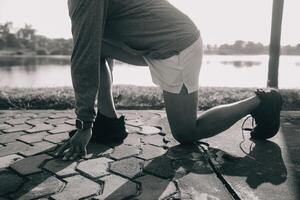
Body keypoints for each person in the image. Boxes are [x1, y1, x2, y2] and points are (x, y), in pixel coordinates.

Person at [54, 0, 283, 160]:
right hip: (152, 44)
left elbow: (83, 56)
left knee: (186, 133)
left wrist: (84, 126)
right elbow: (90, 49)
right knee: (95, 48)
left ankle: (262, 102)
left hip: (177, 46)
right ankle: (108, 122)